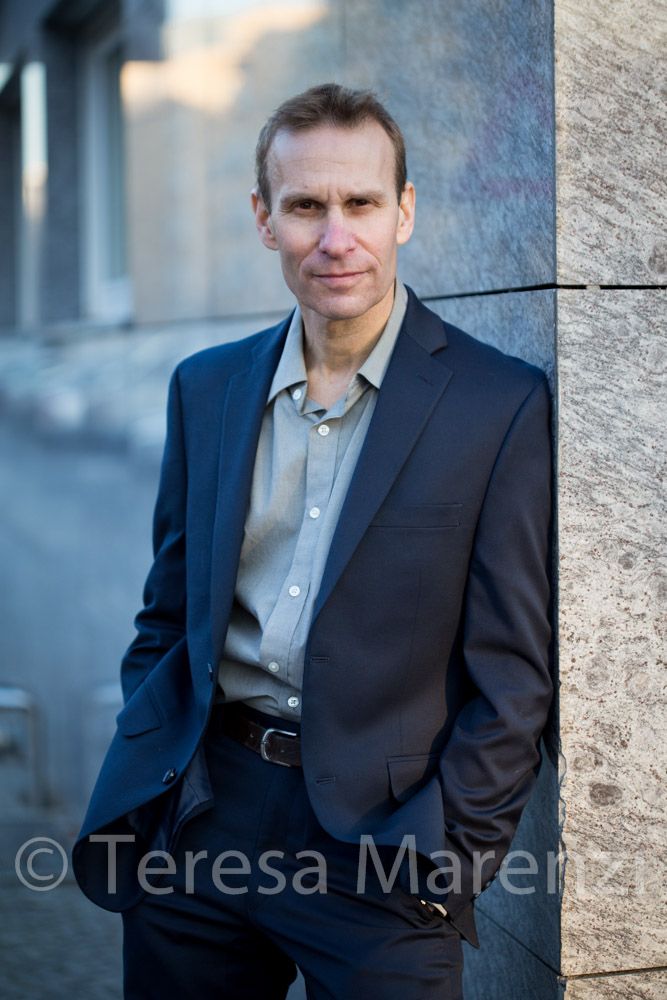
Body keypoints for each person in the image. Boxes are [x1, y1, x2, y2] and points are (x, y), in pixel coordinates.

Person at [73, 83, 553, 999]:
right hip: (202, 819)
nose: (336, 238)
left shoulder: (496, 404)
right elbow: (167, 613)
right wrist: (155, 766)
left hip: (384, 848)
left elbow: (513, 675)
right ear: (265, 219)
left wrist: (448, 858)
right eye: (305, 207)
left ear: (403, 211)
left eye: (360, 203)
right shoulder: (206, 388)